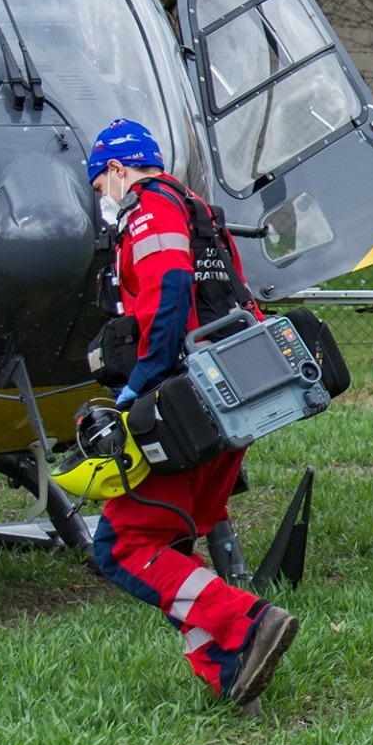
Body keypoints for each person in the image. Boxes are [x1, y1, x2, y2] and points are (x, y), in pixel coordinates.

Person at [83, 118, 298, 711]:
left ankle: (247, 622)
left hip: (184, 406)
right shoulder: (199, 208)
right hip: (232, 399)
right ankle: (231, 673)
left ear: (118, 171)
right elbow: (238, 296)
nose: (104, 196)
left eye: (101, 184)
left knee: (121, 548)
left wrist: (145, 384)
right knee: (173, 546)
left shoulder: (149, 209)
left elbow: (170, 288)